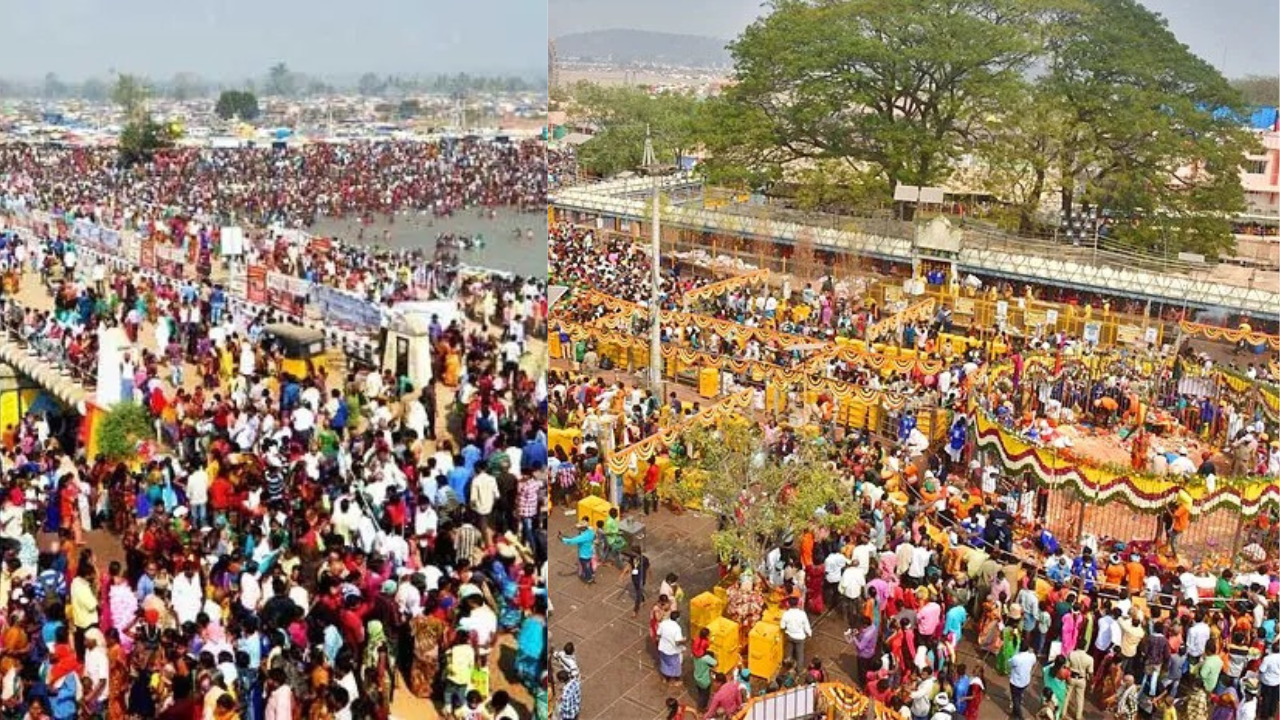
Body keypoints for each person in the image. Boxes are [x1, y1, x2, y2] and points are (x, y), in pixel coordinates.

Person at [1008, 635, 1037, 720]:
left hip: (1016, 682)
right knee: (1019, 696)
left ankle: (1020, 716)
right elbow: (1034, 661)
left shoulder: (1017, 658)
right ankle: (1015, 713)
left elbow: (1009, 663)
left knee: (1015, 699)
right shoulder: (1031, 656)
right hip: (1025, 680)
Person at [779, 597, 812, 669]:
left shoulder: (786, 614)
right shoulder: (802, 614)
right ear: (797, 604)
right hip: (800, 637)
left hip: (790, 636)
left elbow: (782, 626)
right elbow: (806, 625)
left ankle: (787, 667)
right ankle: (799, 670)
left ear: (788, 604)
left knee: (789, 652)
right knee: (800, 654)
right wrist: (809, 633)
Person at [656, 610, 686, 685]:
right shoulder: (677, 628)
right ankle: (676, 680)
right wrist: (684, 640)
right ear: (677, 618)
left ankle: (666, 678)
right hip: (672, 650)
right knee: (675, 665)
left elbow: (658, 634)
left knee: (665, 663)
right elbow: (677, 641)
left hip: (663, 648)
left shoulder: (664, 623)